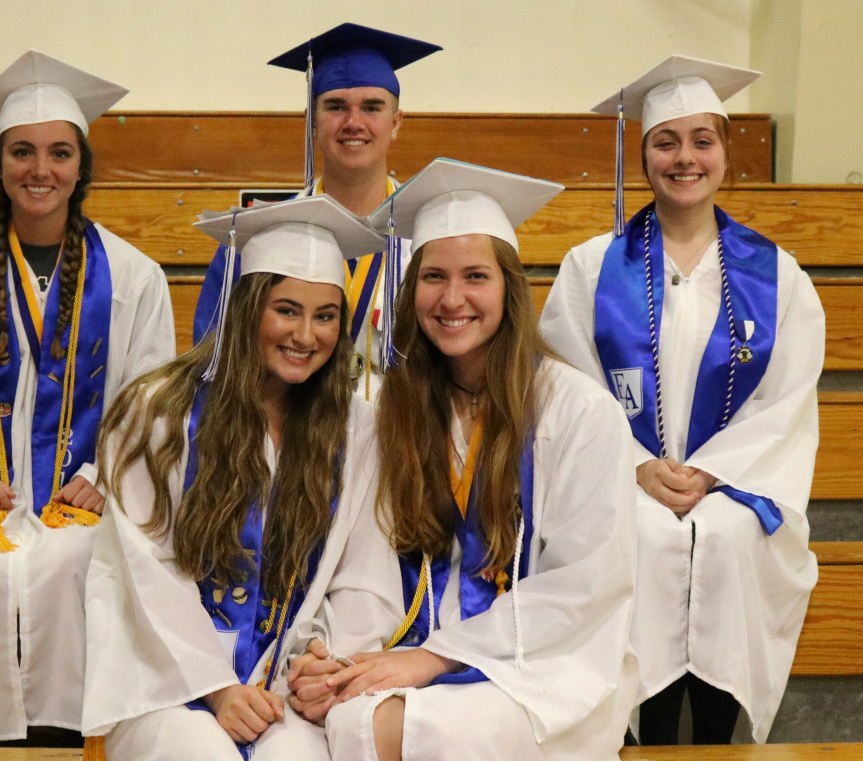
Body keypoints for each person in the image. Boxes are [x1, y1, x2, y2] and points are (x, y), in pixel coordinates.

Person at [287, 159, 639, 760]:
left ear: (509, 287)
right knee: (334, 713)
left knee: (394, 727)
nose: (453, 299)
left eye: (475, 276)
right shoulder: (389, 408)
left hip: (543, 670)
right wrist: (333, 656)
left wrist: (435, 657)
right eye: (433, 277)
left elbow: (583, 586)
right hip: (411, 650)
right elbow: (364, 562)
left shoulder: (578, 412)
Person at [0, 50, 175, 746]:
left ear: (81, 167)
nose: (39, 169)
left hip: (87, 499)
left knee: (71, 561)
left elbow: (153, 403)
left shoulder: (136, 278)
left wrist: (109, 476)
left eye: (57, 152)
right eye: (21, 151)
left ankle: (72, 737)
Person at [539, 56, 825, 744]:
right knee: (643, 535)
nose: (686, 157)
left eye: (704, 140)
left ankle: (716, 742)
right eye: (667, 142)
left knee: (726, 536)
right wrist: (636, 465)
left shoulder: (776, 273)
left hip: (734, 484)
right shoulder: (591, 267)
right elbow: (569, 383)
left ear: (726, 153)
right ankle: (643, 738)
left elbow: (785, 400)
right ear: (642, 156)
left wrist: (718, 473)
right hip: (624, 481)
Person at [81, 195, 386, 760]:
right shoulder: (156, 412)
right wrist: (217, 689)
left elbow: (364, 573)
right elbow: (143, 571)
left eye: (325, 316)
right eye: (286, 310)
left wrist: (321, 657)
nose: (305, 335)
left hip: (285, 684)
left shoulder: (354, 428)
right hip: (168, 683)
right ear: (247, 309)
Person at [193, 22, 441, 400]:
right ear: (312, 121)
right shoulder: (256, 238)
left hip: (408, 444)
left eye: (371, 107)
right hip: (289, 445)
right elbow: (216, 364)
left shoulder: (433, 234)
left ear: (396, 122)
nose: (353, 122)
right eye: (336, 106)